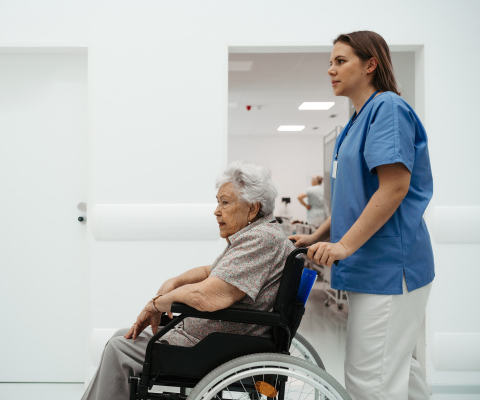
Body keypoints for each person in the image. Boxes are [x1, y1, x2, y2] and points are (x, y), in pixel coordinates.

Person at [290, 31, 434, 400]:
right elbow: (352, 200)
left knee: (370, 382)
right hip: (374, 267)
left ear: (370, 65)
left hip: (389, 267)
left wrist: (343, 246)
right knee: (399, 369)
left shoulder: (387, 108)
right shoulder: (356, 121)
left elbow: (394, 187)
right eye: (330, 62)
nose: (330, 70)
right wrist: (319, 236)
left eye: (340, 61)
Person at [81, 161, 294, 400]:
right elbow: (212, 271)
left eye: (225, 202)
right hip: (215, 338)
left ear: (253, 209)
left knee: (119, 349)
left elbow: (208, 296)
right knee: (121, 336)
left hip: (216, 346)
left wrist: (157, 303)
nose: (217, 210)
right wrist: (176, 281)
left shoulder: (260, 240)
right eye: (218, 201)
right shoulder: (257, 235)